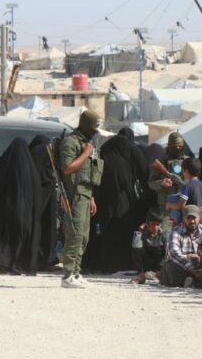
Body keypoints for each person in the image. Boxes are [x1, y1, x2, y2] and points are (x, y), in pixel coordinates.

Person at [84, 127, 148, 274]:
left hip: (103, 202)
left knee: (107, 234)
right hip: (122, 203)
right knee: (122, 232)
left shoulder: (103, 156)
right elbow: (127, 181)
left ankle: (105, 264)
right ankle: (122, 264)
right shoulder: (122, 160)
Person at [0, 138, 42, 275]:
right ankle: (17, 264)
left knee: (3, 236)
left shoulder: (2, 167)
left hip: (3, 212)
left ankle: (2, 264)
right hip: (23, 214)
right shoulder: (31, 171)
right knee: (19, 236)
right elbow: (37, 196)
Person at [59, 111, 104, 289]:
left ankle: (76, 272)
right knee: (75, 234)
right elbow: (68, 168)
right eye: (94, 127)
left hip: (85, 193)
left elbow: (87, 173)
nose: (95, 131)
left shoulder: (86, 143)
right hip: (74, 194)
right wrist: (86, 153)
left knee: (84, 237)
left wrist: (91, 197)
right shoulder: (70, 142)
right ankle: (67, 275)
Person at [29, 135, 62, 271]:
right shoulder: (46, 176)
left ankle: (42, 258)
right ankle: (45, 259)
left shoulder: (32, 167)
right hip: (44, 193)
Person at [147, 132, 189, 233]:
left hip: (183, 205)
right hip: (166, 208)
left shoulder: (188, 161)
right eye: (175, 146)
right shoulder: (162, 161)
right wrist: (162, 183)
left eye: (180, 146)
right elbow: (151, 183)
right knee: (166, 235)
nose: (178, 148)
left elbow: (194, 183)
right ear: (169, 146)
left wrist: (182, 182)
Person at [162, 205, 202, 288]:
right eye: (188, 218)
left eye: (194, 218)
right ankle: (192, 281)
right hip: (183, 266)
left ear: (199, 218)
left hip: (199, 266)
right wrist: (192, 269)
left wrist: (201, 258)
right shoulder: (176, 231)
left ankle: (193, 281)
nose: (192, 221)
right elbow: (174, 253)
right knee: (171, 266)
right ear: (183, 219)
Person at [132, 209, 169, 285]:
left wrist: (160, 268)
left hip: (160, 264)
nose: (155, 227)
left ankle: (159, 275)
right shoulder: (142, 233)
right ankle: (142, 275)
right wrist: (140, 230)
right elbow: (136, 246)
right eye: (153, 224)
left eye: (158, 225)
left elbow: (168, 253)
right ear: (147, 223)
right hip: (148, 262)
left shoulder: (164, 234)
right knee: (137, 250)